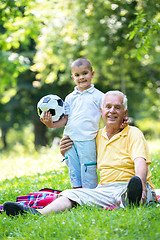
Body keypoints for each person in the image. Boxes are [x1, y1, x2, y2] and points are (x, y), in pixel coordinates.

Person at [3, 90, 156, 216]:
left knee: (134, 192)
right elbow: (83, 157)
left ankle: (134, 199)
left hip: (130, 184)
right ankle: (38, 213)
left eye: (117, 107)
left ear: (125, 112)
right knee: (70, 194)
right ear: (101, 111)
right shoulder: (94, 137)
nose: (112, 111)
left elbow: (140, 161)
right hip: (104, 189)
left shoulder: (133, 133)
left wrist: (141, 183)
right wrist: (65, 152)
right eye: (108, 106)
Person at [40, 58, 104, 189]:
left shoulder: (99, 96)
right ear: (73, 77)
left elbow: (107, 116)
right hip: (69, 138)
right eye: (77, 75)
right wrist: (51, 124)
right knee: (73, 167)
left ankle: (90, 194)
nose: (81, 77)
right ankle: (77, 192)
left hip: (87, 139)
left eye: (85, 73)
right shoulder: (70, 98)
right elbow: (65, 119)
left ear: (92, 74)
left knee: (88, 168)